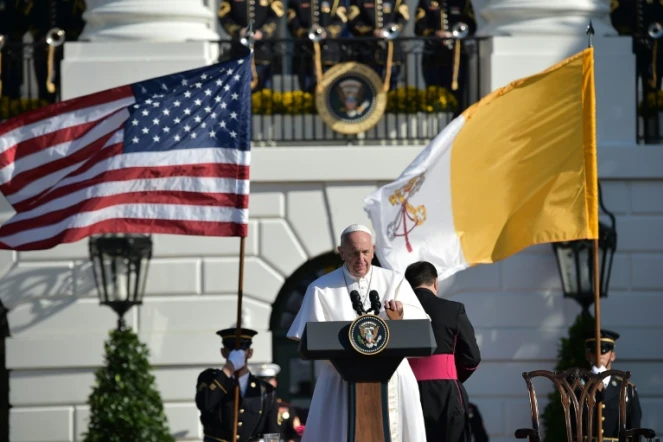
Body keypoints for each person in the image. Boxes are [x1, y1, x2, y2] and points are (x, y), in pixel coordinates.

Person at [286, 223, 429, 442]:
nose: (360, 259)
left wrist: (398, 318)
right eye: (353, 253)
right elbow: (306, 339)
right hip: (340, 379)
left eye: (365, 252)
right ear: (341, 252)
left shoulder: (395, 281)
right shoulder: (321, 288)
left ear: (373, 250)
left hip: (393, 377)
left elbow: (418, 327)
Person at [404, 261, 481, 442]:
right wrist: (450, 375)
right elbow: (472, 357)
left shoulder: (393, 313)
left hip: (406, 390)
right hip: (445, 392)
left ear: (407, 285)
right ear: (436, 282)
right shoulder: (453, 309)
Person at [195, 327, 281, 442]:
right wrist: (229, 368)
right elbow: (205, 404)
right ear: (223, 352)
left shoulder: (265, 390)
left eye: (242, 348)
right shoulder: (209, 379)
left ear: (250, 353)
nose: (237, 353)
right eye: (231, 348)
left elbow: (272, 433)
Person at [414, 0, 477, 112]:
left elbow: (471, 25)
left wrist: (457, 31)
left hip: (456, 56)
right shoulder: (426, 2)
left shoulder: (463, 2)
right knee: (434, 93)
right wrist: (435, 34)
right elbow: (419, 28)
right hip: (433, 55)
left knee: (458, 95)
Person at [583, 329, 642, 438]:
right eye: (593, 350)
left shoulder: (627, 389)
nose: (598, 354)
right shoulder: (578, 387)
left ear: (612, 356)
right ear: (587, 355)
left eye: (603, 350)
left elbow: (634, 430)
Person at [217, 0, 284, 90]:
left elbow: (276, 16)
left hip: (263, 51)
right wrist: (238, 31)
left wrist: (263, 32)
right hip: (239, 51)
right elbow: (224, 16)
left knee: (263, 90)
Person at [286, 0, 347, 93]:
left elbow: (341, 20)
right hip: (305, 50)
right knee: (305, 89)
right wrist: (307, 33)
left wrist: (327, 32)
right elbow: (292, 21)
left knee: (329, 89)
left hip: (329, 51)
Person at [347, 0, 409, 90]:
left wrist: (390, 30)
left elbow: (403, 18)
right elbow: (353, 21)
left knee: (392, 84)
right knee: (369, 86)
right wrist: (371, 31)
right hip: (367, 51)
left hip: (392, 51)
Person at [252, 363, 303, 442]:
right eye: (261, 381)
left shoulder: (285, 407)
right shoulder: (250, 405)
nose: (264, 385)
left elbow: (298, 431)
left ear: (275, 382)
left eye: (268, 381)